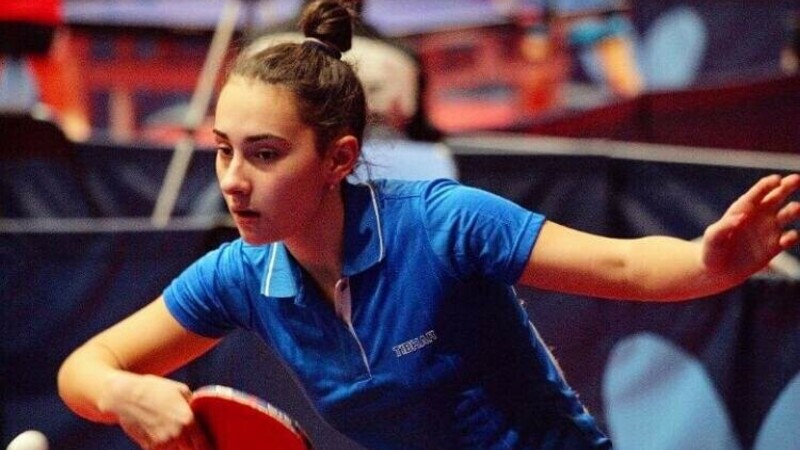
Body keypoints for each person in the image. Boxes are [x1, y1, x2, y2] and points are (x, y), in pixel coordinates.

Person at [57, 1, 800, 449]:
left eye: (265, 154)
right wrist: (123, 394)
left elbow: (625, 268)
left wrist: (709, 263)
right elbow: (86, 368)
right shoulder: (241, 277)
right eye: (223, 150)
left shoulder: (443, 225)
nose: (232, 180)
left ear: (339, 159)